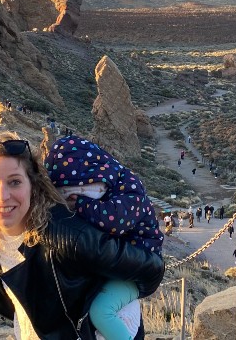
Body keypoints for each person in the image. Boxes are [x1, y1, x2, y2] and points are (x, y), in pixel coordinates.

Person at [0, 133, 164, 339]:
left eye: (15, 182)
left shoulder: (68, 235)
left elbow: (152, 270)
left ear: (33, 186)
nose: (3, 196)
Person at [45, 135, 165, 340]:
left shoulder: (130, 190)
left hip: (134, 271)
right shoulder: (113, 185)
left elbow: (114, 221)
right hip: (117, 266)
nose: (72, 198)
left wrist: (80, 204)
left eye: (78, 191)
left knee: (101, 312)